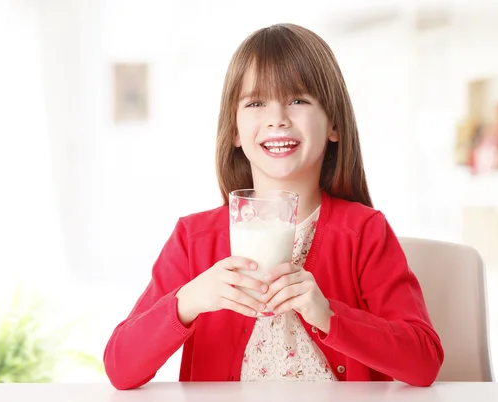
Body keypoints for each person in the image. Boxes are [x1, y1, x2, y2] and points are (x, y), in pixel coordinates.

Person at [103, 23, 444, 390]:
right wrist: (187, 301)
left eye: (298, 100)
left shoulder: (364, 232)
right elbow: (120, 368)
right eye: (255, 103)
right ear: (234, 130)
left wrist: (328, 315)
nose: (277, 118)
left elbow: (424, 362)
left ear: (334, 125)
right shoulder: (194, 239)